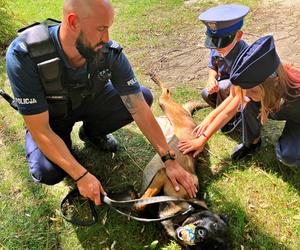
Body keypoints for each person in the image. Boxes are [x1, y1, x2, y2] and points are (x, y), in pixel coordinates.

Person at [5, 0, 197, 206]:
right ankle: (65, 149)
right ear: (73, 22)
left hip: (91, 103)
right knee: (47, 172)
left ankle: (91, 133)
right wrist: (80, 175)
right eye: (100, 29)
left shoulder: (108, 52)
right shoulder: (25, 55)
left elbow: (140, 108)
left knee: (143, 95)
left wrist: (169, 159)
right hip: (51, 118)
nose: (107, 38)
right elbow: (40, 129)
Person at [178, 35, 300, 167]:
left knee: (288, 156)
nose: (248, 95)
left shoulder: (296, 90)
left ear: (275, 83)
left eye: (252, 92)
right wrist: (204, 136)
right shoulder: (254, 86)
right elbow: (231, 105)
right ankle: (252, 142)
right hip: (274, 105)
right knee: (248, 104)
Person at [198, 4, 250, 133]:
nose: (217, 48)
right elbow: (213, 66)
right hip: (224, 87)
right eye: (214, 42)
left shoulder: (244, 53)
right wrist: (211, 78)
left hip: (241, 91)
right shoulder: (217, 48)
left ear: (239, 35)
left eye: (222, 43)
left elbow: (244, 86)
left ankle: (233, 117)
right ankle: (225, 116)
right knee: (206, 93)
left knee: (224, 86)